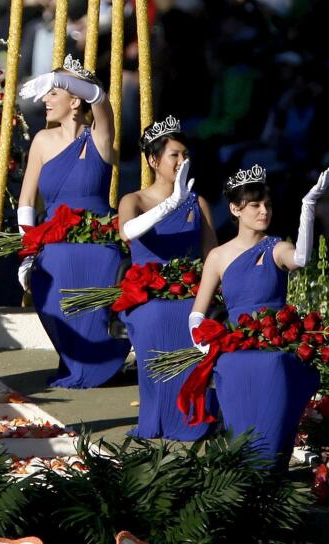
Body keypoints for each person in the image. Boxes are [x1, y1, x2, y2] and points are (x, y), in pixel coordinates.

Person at [186, 164, 329, 465]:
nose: (264, 211)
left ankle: (272, 459)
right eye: (255, 205)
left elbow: (301, 258)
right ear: (235, 209)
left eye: (267, 204)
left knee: (277, 365)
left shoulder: (276, 247)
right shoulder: (219, 256)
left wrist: (308, 205)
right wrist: (205, 344)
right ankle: (240, 459)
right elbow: (196, 315)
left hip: (277, 342)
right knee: (232, 368)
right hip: (237, 344)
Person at [15, 56, 129, 388]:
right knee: (51, 267)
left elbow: (101, 100)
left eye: (54, 93)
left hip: (99, 240)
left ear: (74, 99)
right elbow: (26, 201)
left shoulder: (99, 136)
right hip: (52, 242)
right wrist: (26, 252)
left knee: (103, 263)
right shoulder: (41, 141)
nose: (45, 100)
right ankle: (75, 360)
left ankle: (104, 360)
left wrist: (61, 78)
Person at [117, 118, 216, 439]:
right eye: (174, 155)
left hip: (190, 294)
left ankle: (191, 419)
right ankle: (156, 420)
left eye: (185, 154)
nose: (181, 161)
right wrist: (170, 204)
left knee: (193, 320)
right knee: (156, 317)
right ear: (153, 160)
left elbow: (211, 257)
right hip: (147, 296)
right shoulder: (134, 200)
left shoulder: (198, 203)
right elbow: (128, 232)